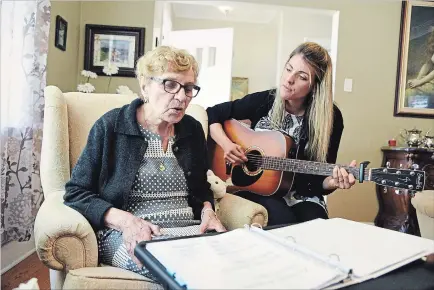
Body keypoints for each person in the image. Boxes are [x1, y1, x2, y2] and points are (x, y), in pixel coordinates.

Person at [64, 46, 226, 279]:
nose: (182, 97)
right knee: (179, 270)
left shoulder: (192, 129)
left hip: (190, 230)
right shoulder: (111, 126)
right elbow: (75, 192)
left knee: (235, 260)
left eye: (189, 88)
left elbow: (201, 188)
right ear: (144, 86)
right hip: (130, 234)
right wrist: (126, 221)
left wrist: (208, 211)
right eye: (170, 84)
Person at [206, 42, 356, 226]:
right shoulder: (265, 100)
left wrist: (332, 182)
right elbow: (212, 113)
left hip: (302, 193)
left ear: (315, 86)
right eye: (288, 69)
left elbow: (319, 182)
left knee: (317, 224)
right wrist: (227, 145)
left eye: (301, 77)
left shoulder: (331, 118)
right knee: (283, 219)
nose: (289, 79)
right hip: (258, 188)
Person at [406, 28, 434, 109]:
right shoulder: (432, 47)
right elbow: (428, 64)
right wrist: (417, 80)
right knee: (409, 92)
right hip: (431, 78)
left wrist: (420, 82)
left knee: (411, 94)